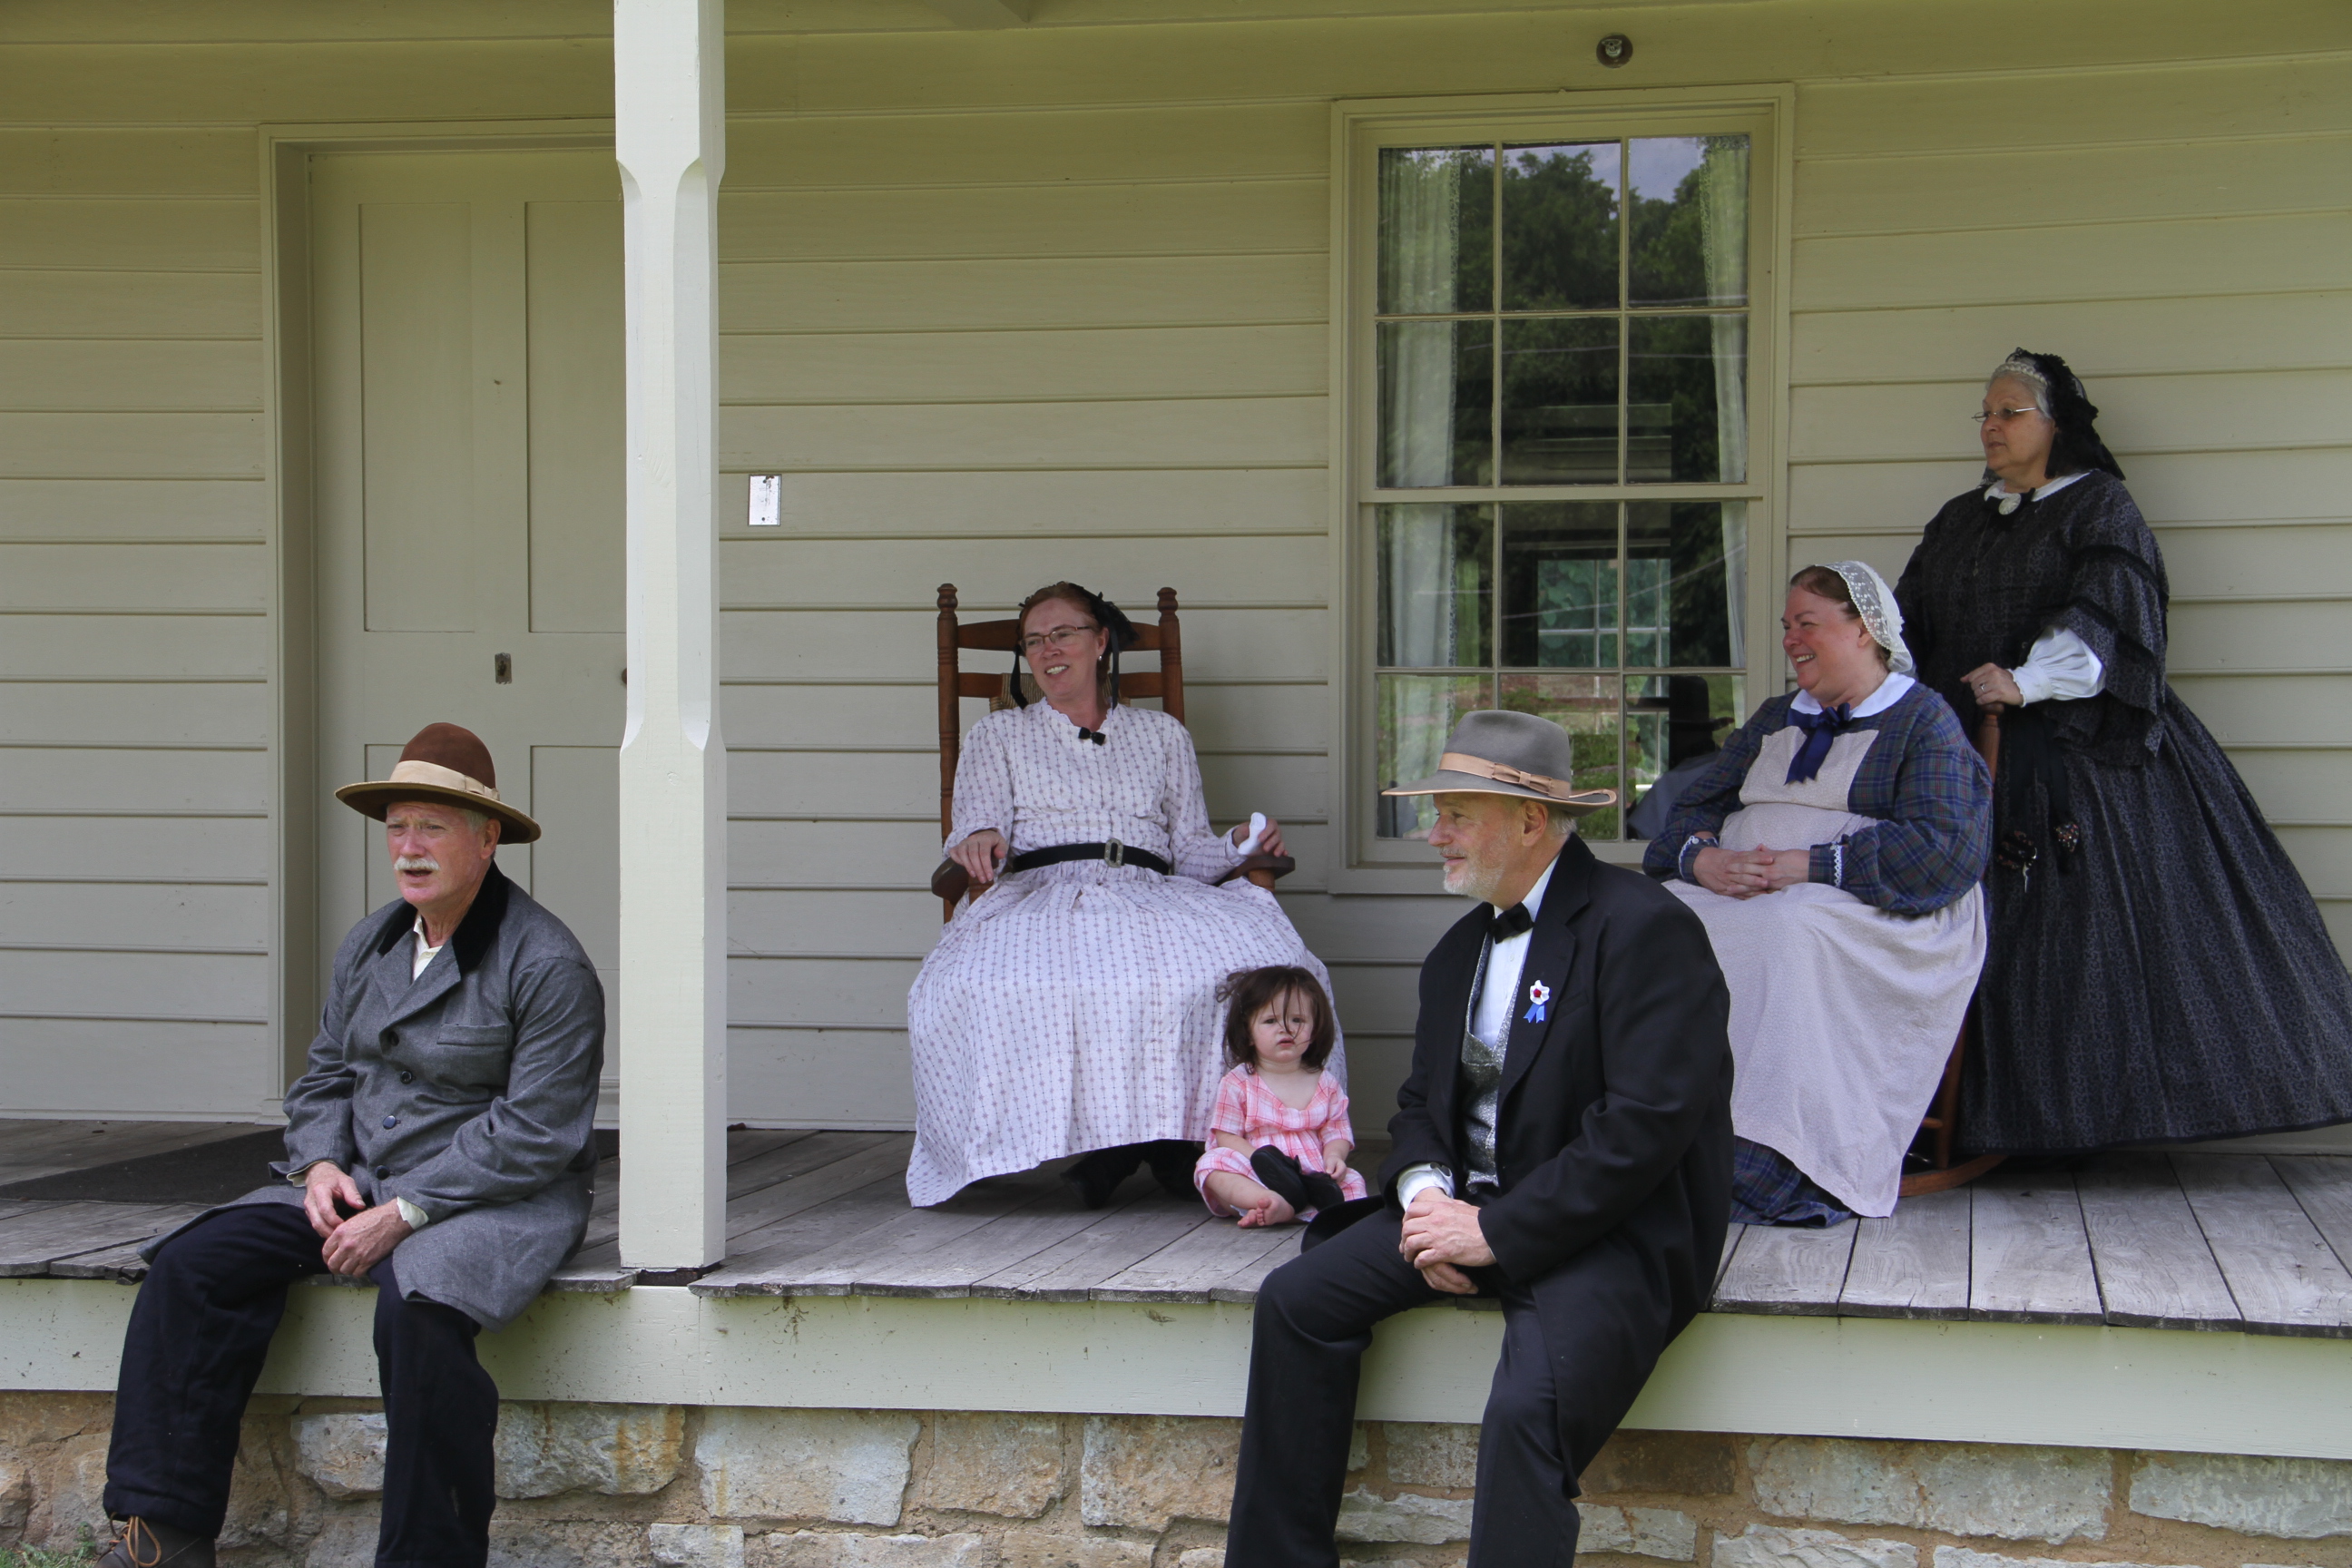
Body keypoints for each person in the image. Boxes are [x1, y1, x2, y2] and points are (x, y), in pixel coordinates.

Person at [1225, 710, 1733, 1568]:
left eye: (1455, 815)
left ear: (1530, 821)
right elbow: (1421, 1105)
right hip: (1464, 1208)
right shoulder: (1458, 950)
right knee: (1296, 1304)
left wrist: (1494, 1232)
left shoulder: (1646, 928)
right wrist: (1427, 1203)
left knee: (1526, 1411)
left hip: (1608, 1229)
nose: (1434, 836)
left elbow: (1643, 1130)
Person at [95, 723, 604, 1568]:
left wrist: (405, 1212)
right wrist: (321, 1163)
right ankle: (166, 1539)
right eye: (398, 827)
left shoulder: (546, 962)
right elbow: (326, 1077)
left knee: (421, 1310)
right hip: (361, 1177)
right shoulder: (370, 943)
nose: (408, 849)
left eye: (432, 828)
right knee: (194, 1267)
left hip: (495, 1197)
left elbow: (537, 1130)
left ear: (486, 840)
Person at [1896, 348, 2352, 1152]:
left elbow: (2115, 616)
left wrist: (2028, 681)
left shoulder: (2099, 507)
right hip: (1960, 748)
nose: (1991, 428)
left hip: (2077, 748)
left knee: (2074, 940)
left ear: (2054, 425)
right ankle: (1956, 1115)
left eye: (2009, 413)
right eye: (1986, 414)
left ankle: (2058, 1125)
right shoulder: (1961, 519)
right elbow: (1907, 624)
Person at [906, 582, 1343, 1210]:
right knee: (1007, 983)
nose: (1048, 649)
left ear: (1101, 640)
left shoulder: (1162, 736)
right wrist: (978, 842)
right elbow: (975, 830)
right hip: (1040, 893)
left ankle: (1166, 1147)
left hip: (1152, 892)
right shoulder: (998, 737)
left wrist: (1239, 843)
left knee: (1261, 974)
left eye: (1063, 633)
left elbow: (1189, 851)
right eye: (1033, 640)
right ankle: (1159, 1150)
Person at [1646, 563, 1992, 1223]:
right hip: (1755, 891)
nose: (1790, 639)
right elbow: (1685, 819)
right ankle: (1654, 1134)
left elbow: (1944, 851)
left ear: (1862, 630)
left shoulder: (1922, 721)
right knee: (1655, 923)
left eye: (1807, 623)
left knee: (1790, 927)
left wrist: (1813, 867)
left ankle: (1766, 1156)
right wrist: (1704, 860)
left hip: (1881, 910)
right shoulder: (1777, 719)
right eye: (1785, 627)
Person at [1192, 965, 1369, 1227]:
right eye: (1270, 1021)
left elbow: (1337, 1131)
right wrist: (1258, 1159)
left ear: (1315, 1028)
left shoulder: (1326, 1083)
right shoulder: (1239, 1082)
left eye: (1297, 1020)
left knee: (1353, 1181)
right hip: (1256, 1168)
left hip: (1310, 1171)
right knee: (1212, 1163)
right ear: (1248, 1032)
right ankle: (1269, 1201)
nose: (1285, 1029)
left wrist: (1334, 1157)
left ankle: (1312, 1204)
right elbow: (1225, 1135)